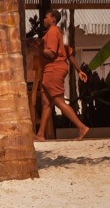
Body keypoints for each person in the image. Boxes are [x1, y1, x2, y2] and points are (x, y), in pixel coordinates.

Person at [35, 9, 90, 141]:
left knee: (58, 100)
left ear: (53, 19)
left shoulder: (53, 31)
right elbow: (69, 53)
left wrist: (39, 47)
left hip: (53, 69)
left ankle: (81, 127)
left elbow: (52, 53)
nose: (44, 19)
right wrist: (78, 70)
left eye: (46, 17)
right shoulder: (58, 32)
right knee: (46, 102)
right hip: (54, 68)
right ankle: (40, 134)